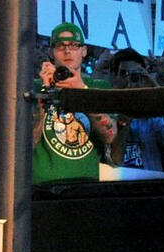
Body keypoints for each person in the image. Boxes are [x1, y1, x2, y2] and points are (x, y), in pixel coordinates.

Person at [33, 23, 115, 184]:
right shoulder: (35, 86)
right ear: (51, 52)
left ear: (84, 51)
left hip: (85, 186)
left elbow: (109, 136)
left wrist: (83, 92)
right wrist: (45, 92)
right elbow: (23, 143)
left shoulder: (99, 87)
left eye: (74, 45)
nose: (67, 50)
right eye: (60, 46)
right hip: (42, 188)